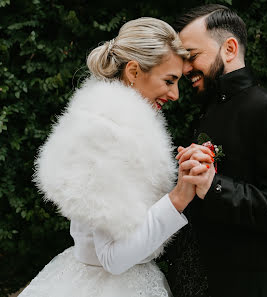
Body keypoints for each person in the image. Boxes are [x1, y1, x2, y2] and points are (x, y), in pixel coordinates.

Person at [18, 17, 213, 297]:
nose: (175, 94)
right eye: (169, 80)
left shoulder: (111, 124)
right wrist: (179, 197)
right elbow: (114, 258)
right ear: (133, 71)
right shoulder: (109, 136)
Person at [165, 4, 267, 297]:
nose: (184, 69)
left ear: (229, 48)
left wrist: (214, 186)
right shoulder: (208, 109)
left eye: (192, 56)